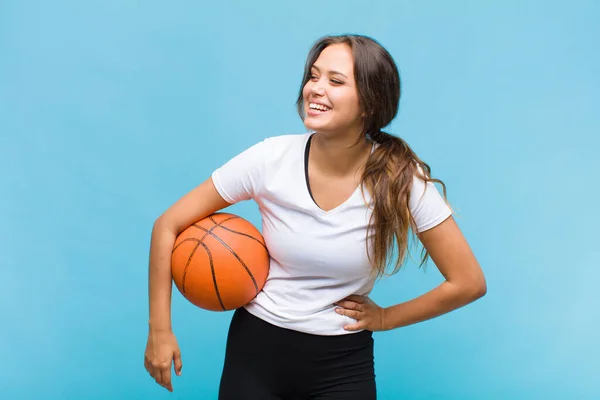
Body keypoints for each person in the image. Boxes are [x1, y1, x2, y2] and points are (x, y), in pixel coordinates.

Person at [144, 34, 487, 399]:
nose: (315, 89)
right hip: (255, 351)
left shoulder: (401, 178)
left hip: (341, 364)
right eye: (313, 76)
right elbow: (167, 224)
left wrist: (386, 318)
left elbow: (468, 281)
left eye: (335, 81)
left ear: (369, 103)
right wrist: (160, 331)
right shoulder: (270, 159)